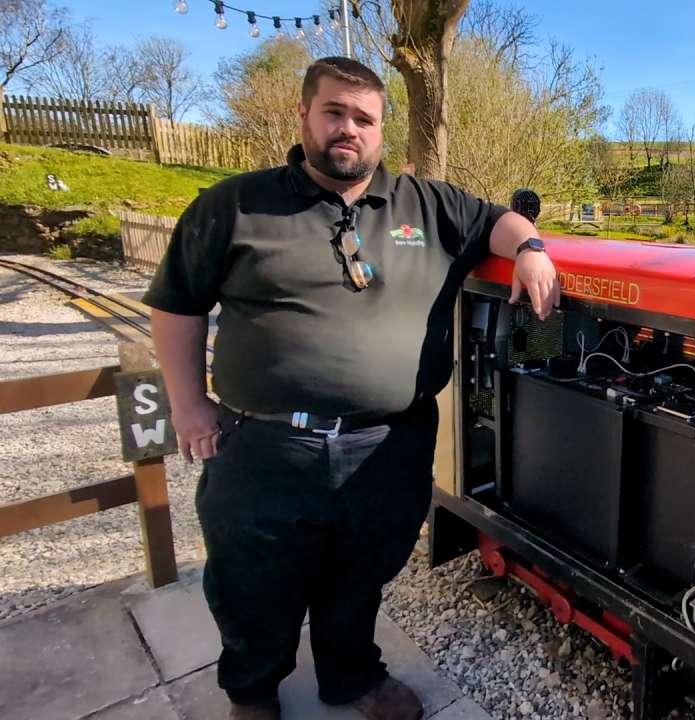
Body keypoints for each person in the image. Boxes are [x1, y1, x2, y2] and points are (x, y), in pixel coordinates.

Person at [143, 56, 559, 720]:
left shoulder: (428, 204)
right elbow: (176, 305)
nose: (349, 129)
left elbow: (500, 223)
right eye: (334, 112)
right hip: (265, 446)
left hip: (388, 444)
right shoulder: (234, 205)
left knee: (361, 574)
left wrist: (533, 249)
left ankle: (352, 678)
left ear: (380, 128)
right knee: (254, 582)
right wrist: (188, 404)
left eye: (363, 118)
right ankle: (252, 692)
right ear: (304, 115)